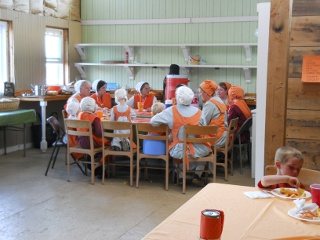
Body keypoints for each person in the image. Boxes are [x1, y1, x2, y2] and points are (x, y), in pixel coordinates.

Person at [150, 86, 211, 187]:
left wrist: (168, 124)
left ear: (177, 97)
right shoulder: (199, 112)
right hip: (197, 149)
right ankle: (197, 175)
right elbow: (203, 129)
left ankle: (181, 177)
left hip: (178, 149)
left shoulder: (171, 111)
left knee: (173, 145)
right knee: (206, 150)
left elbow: (153, 121)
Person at [199, 80, 228, 148]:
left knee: (191, 140)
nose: (200, 95)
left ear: (206, 92)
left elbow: (203, 124)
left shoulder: (210, 104)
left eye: (200, 92)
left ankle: (206, 158)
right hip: (224, 135)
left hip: (217, 138)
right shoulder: (219, 100)